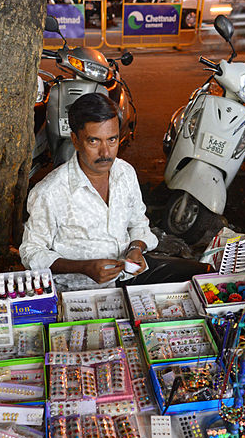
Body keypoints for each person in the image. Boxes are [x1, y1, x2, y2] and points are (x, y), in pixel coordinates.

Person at [20, 93, 208, 291]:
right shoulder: (50, 192)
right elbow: (31, 252)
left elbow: (138, 223)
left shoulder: (125, 173)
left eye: (112, 140)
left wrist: (136, 248)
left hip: (128, 275)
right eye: (94, 141)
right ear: (75, 140)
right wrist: (83, 268)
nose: (106, 153)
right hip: (81, 288)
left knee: (203, 275)